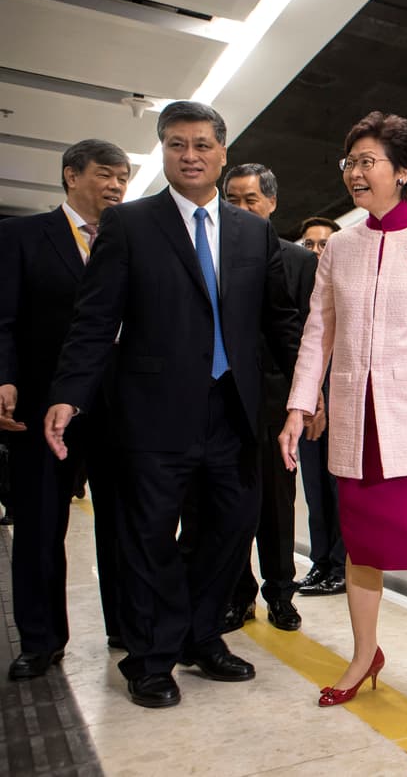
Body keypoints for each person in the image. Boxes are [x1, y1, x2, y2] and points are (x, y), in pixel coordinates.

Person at [44, 102, 302, 709]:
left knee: (229, 530)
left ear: (222, 153)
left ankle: (201, 634)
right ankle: (153, 657)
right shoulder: (130, 224)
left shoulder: (252, 230)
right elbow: (94, 319)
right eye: (178, 145)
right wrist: (67, 393)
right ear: (163, 151)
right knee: (149, 537)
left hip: (233, 412)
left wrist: (305, 390)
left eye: (203, 145)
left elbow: (279, 320)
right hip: (152, 412)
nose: (191, 155)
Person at [279, 111, 407, 720]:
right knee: (361, 548)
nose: (355, 173)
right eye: (350, 163)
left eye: (368, 161)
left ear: (403, 171)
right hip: (354, 418)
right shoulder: (339, 247)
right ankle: (365, 654)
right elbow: (318, 332)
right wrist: (299, 404)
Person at [0, 139, 131, 678]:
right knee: (39, 523)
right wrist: (3, 378)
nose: (117, 186)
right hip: (41, 402)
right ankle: (41, 638)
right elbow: (3, 319)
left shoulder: (132, 239)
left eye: (123, 176)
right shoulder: (22, 236)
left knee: (124, 522)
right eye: (105, 175)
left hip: (120, 405)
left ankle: (127, 625)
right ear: (70, 176)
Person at [221, 164, 320, 631]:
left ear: (272, 204)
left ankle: (281, 592)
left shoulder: (300, 262)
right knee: (226, 502)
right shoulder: (212, 254)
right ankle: (236, 594)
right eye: (232, 200)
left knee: (278, 505)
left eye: (250, 200)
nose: (240, 209)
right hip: (222, 401)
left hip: (277, 403)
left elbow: (307, 335)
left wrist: (309, 398)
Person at [294, 215, 346, 597]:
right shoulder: (298, 294)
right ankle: (320, 562)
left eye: (324, 244)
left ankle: (342, 566)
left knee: (338, 488)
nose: (316, 251)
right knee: (314, 489)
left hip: (343, 402)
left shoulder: (346, 291)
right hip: (309, 402)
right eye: (309, 244)